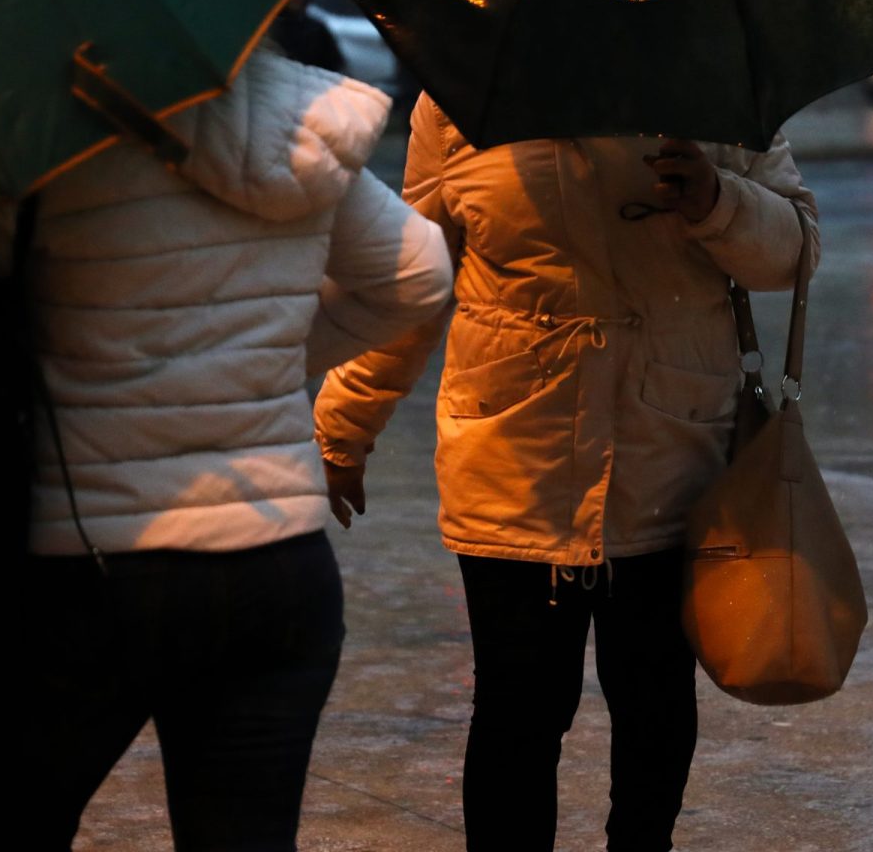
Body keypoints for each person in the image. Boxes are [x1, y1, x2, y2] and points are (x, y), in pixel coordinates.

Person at [0, 50, 454, 851]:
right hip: (277, 568)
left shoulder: (24, 129)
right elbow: (417, 273)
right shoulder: (292, 123)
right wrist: (251, 363)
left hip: (80, 575)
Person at [314, 94, 817, 852]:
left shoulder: (709, 80)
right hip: (514, 455)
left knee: (652, 701)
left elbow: (798, 250)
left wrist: (719, 200)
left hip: (670, 452)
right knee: (518, 708)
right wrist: (343, 425)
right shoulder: (461, 93)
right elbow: (411, 281)